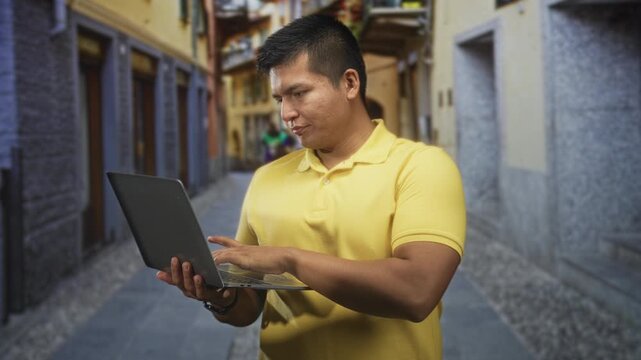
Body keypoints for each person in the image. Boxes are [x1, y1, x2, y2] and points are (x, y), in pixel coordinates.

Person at [157, 14, 465, 360]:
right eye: (279, 99)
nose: (286, 114)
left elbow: (416, 290)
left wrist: (288, 258)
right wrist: (220, 296)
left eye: (299, 93)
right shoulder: (266, 178)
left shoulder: (421, 166)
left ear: (350, 84)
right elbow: (248, 309)